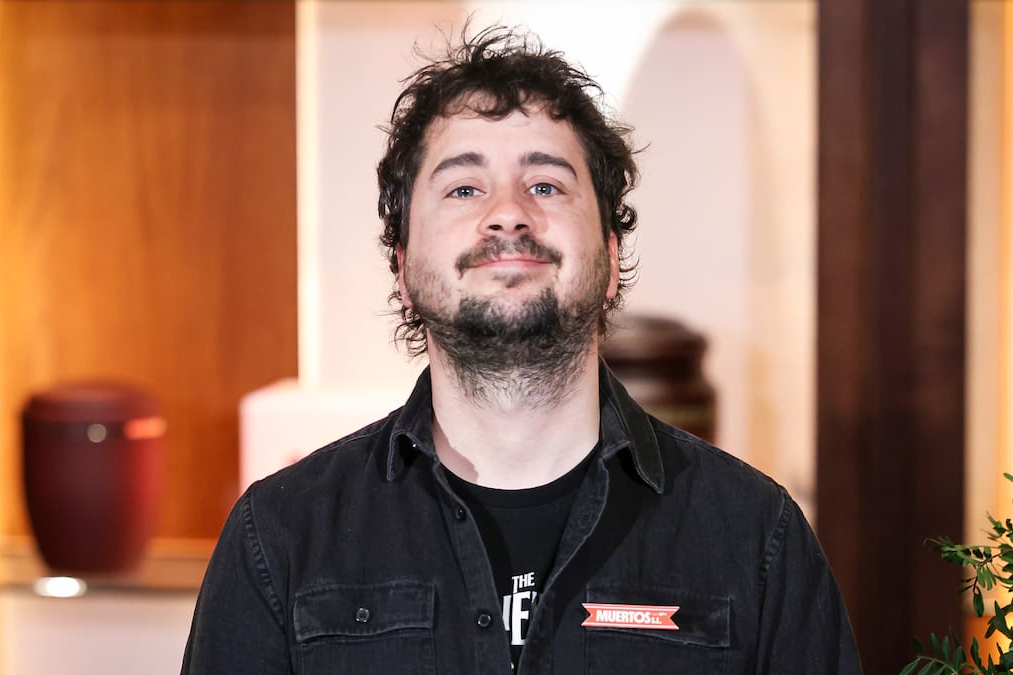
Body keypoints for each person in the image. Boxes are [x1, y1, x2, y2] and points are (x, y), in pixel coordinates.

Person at [182, 25, 861, 674]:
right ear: (404, 266)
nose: (508, 213)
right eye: (464, 188)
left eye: (545, 185)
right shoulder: (279, 539)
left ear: (610, 254)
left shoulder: (757, 538)